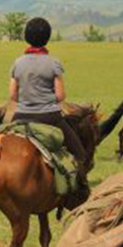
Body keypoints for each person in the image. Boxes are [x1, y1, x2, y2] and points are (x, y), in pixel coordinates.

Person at [9, 17, 90, 190]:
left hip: (21, 118)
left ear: (26, 37)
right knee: (80, 153)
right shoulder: (53, 63)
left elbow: (13, 96)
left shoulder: (17, 62)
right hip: (50, 117)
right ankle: (77, 191)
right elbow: (60, 96)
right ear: (47, 37)